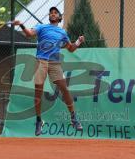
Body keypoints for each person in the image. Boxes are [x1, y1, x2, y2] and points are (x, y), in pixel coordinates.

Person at [13, 7, 85, 136]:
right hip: (41, 61)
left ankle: (73, 118)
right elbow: (29, 34)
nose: (52, 14)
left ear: (59, 17)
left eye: (55, 13)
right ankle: (39, 121)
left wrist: (78, 41)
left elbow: (70, 48)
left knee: (64, 89)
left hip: (55, 63)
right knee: (38, 92)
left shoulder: (62, 32)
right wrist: (22, 25)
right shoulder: (41, 27)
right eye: (51, 13)